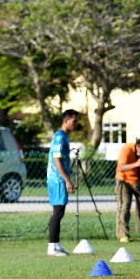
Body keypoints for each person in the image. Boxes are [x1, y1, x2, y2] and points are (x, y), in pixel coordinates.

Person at [46, 109, 81, 257]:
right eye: (74, 121)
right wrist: (67, 179)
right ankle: (52, 247)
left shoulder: (63, 136)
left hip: (59, 178)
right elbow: (56, 159)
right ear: (66, 120)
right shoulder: (59, 137)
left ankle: (57, 245)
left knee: (60, 211)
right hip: (57, 179)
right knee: (58, 212)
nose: (76, 124)